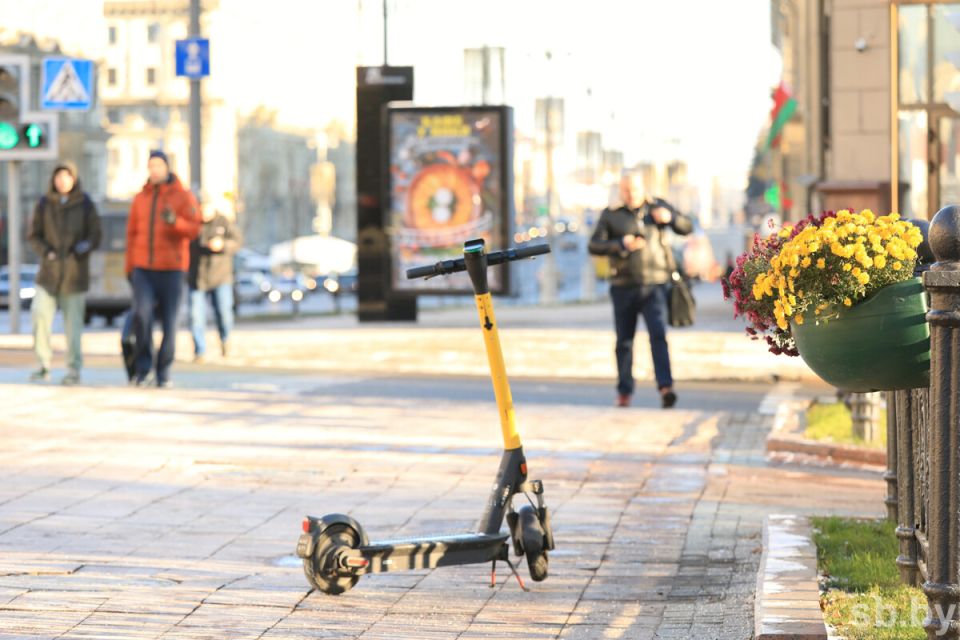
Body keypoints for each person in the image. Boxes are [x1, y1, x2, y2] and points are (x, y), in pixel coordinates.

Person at [588, 172, 693, 409]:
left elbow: (687, 227)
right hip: (623, 285)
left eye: (634, 189)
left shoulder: (657, 206)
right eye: (625, 190)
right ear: (620, 191)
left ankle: (666, 387)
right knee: (624, 341)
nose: (630, 194)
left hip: (655, 284)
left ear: (642, 188)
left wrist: (670, 218)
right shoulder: (611, 214)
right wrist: (620, 244)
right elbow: (594, 245)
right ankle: (624, 391)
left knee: (658, 336)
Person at [125, 150, 200, 387]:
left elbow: (194, 229)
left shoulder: (183, 196)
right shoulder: (141, 198)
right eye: (151, 166)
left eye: (159, 165)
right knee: (142, 317)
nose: (155, 170)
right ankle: (143, 369)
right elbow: (132, 234)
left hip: (172, 269)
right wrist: (130, 267)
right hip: (143, 268)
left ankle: (163, 371)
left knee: (169, 322)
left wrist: (174, 222)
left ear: (167, 167)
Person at [27, 161, 102, 385]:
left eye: (67, 177)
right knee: (39, 313)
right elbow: (33, 235)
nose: (62, 181)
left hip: (74, 274)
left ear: (74, 179)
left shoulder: (85, 204)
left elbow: (95, 235)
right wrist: (45, 251)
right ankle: (43, 363)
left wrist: (82, 249)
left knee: (73, 325)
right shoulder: (44, 203)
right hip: (48, 274)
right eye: (59, 177)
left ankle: (73, 368)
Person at [188, 197, 242, 362]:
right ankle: (200, 351)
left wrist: (223, 245)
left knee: (224, 313)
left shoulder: (224, 222)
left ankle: (225, 340)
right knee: (196, 316)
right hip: (198, 278)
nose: (203, 212)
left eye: (206, 208)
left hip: (220, 276)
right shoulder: (193, 224)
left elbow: (237, 242)